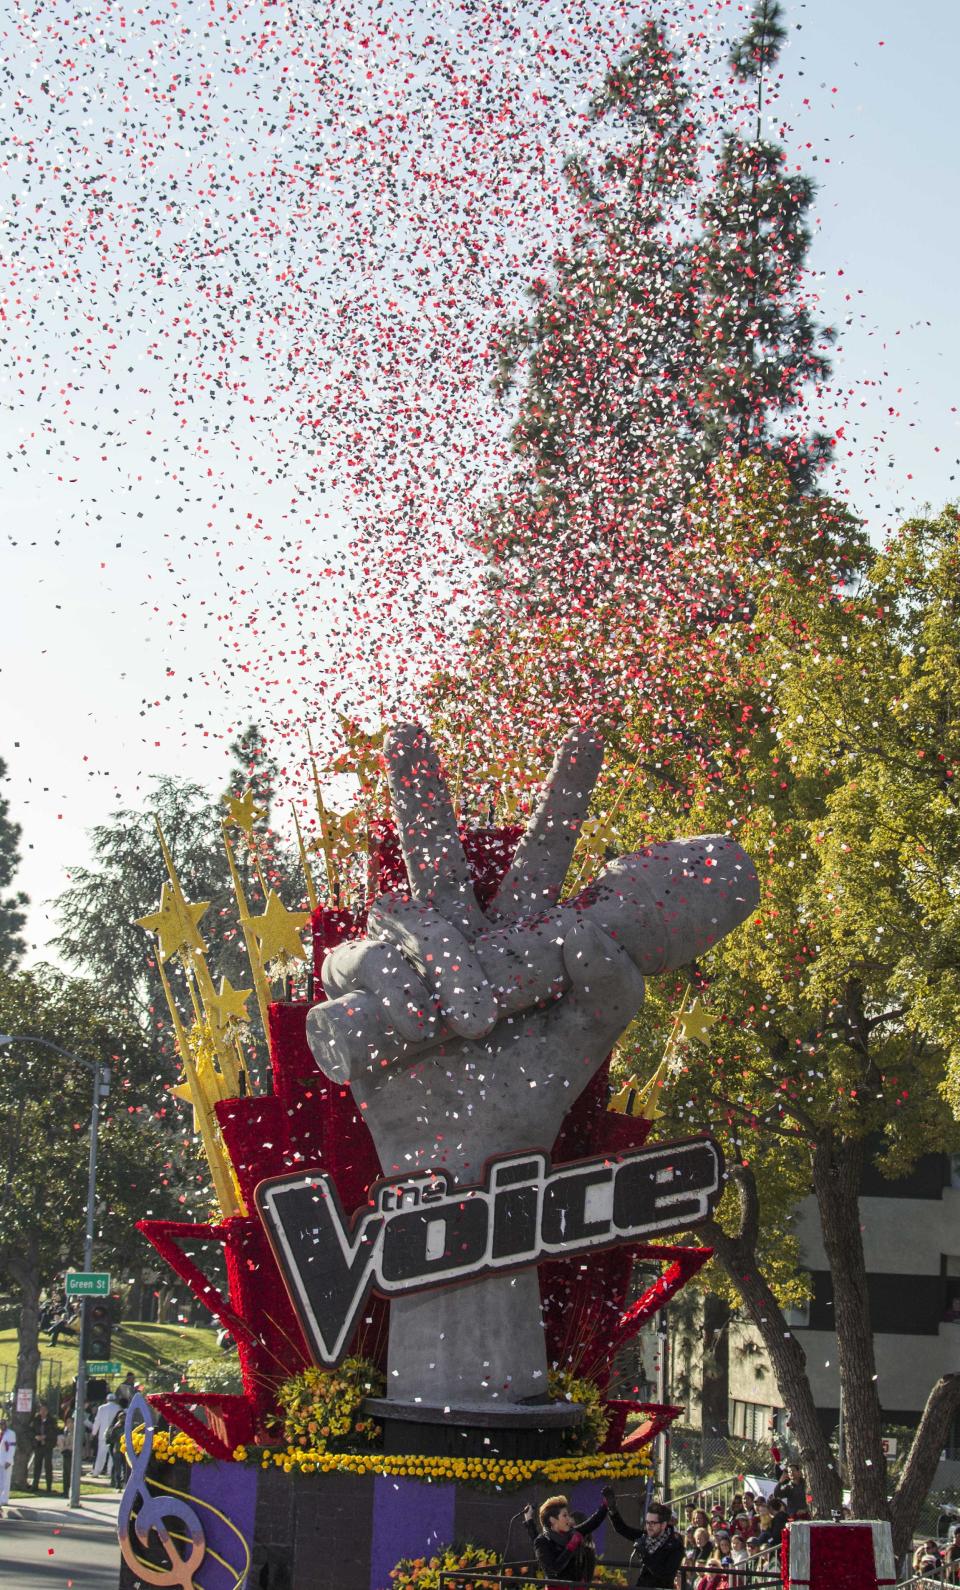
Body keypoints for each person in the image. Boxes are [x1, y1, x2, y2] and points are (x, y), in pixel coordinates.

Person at [602, 1491, 685, 1589]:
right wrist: (612, 1509)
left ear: (663, 1525)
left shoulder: (675, 1546)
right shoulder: (645, 1537)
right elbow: (622, 1529)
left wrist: (645, 1555)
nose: (649, 1526)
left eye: (653, 1523)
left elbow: (666, 1576)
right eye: (647, 1522)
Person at [522, 1491, 609, 1584]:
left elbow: (592, 1523)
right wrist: (570, 1547)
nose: (568, 1518)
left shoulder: (572, 1533)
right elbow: (553, 1570)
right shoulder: (542, 1541)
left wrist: (606, 1505)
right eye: (564, 1515)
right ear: (552, 1520)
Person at [30, 1401, 59, 1493]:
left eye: (44, 1410)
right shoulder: (36, 1420)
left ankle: (49, 1486)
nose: (42, 1412)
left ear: (47, 1411)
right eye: (41, 1410)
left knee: (48, 1466)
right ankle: (35, 1485)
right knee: (37, 1466)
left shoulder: (52, 1420)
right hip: (38, 1446)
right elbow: (31, 1431)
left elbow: (54, 1432)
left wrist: (45, 1436)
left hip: (47, 1446)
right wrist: (36, 1436)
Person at [90, 1392, 121, 1477]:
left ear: (107, 1400)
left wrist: (94, 1433)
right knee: (112, 1455)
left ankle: (96, 1471)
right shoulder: (118, 1408)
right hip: (113, 1434)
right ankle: (110, 1472)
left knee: (101, 1454)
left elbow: (97, 1421)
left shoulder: (101, 1408)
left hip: (103, 1434)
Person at [0, 1413, 15, 1514]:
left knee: (6, 1480)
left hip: (6, 1460)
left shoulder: (11, 1434)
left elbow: (11, 1448)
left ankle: (5, 1499)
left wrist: (9, 1461)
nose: (2, 1426)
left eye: (3, 1424)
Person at [59, 1406, 75, 1497]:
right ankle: (65, 1490)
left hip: (72, 1452)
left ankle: (70, 1490)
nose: (69, 1424)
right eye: (67, 1422)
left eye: (70, 1422)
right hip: (65, 1452)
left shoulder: (74, 1432)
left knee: (70, 1473)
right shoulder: (65, 1431)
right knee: (65, 1473)